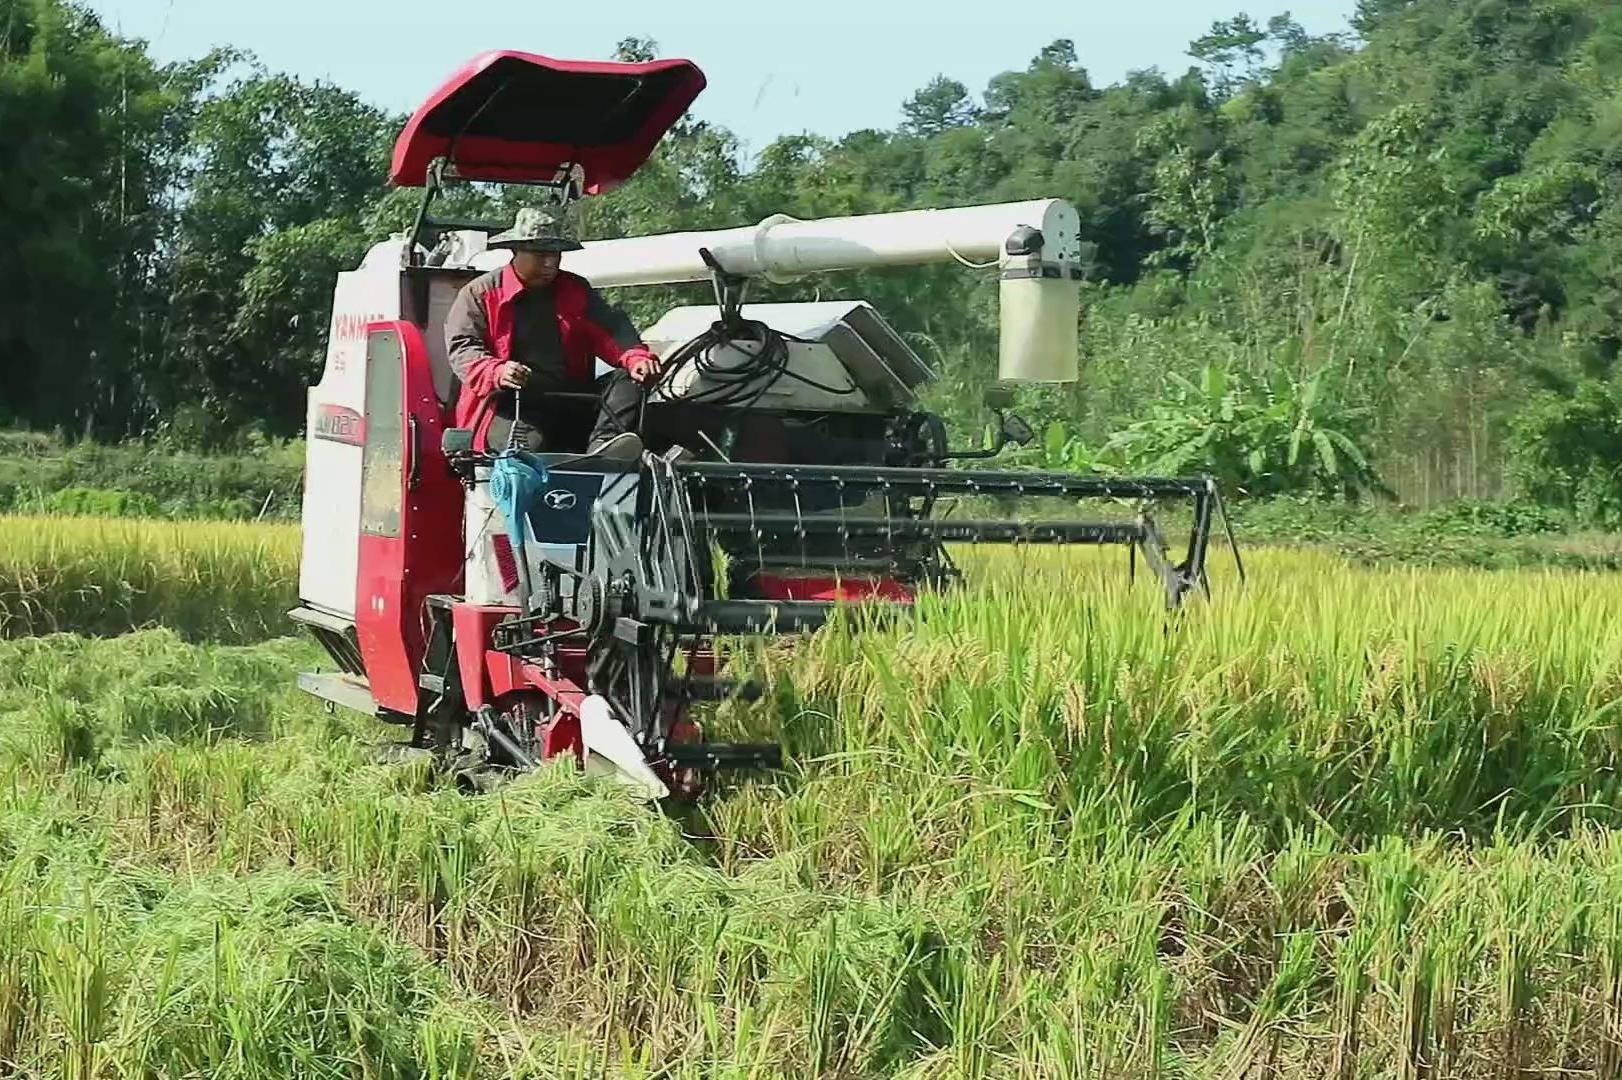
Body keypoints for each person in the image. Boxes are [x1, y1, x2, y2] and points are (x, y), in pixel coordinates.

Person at [444, 205, 662, 459]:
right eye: (540, 254)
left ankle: (604, 448)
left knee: (627, 378)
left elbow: (610, 329)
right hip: (508, 406)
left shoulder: (575, 289)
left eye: (556, 254)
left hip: (571, 401)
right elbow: (463, 348)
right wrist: (497, 371)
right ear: (515, 251)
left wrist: (636, 358)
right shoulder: (479, 294)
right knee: (528, 456)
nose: (550, 263)